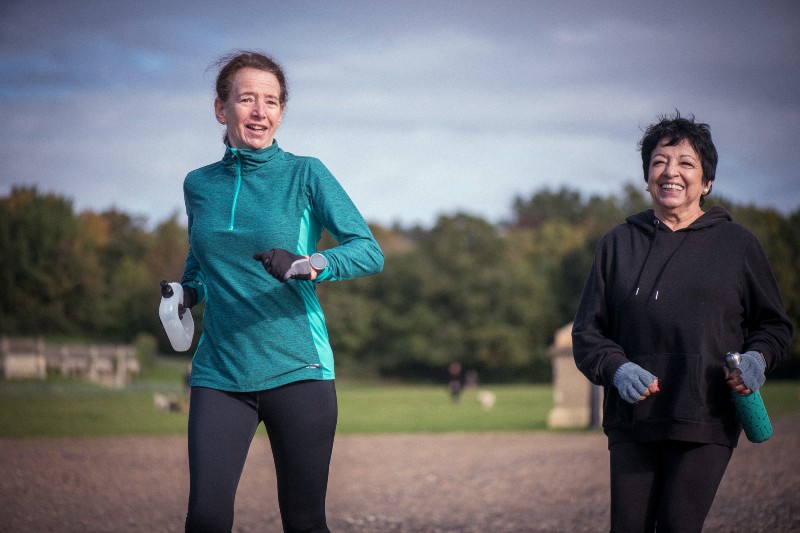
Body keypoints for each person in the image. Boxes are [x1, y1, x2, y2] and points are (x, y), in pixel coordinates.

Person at [170, 51, 384, 532]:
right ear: (220, 108)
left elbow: (369, 251)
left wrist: (309, 264)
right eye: (247, 98)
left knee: (305, 521)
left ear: (282, 112)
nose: (260, 111)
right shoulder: (198, 185)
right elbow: (202, 261)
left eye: (271, 101)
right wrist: (186, 291)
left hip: (299, 369)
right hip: (219, 372)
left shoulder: (306, 174)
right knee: (204, 517)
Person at [571, 112, 792, 532]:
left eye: (686, 163)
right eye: (659, 162)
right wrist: (617, 368)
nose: (670, 172)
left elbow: (774, 326)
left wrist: (758, 359)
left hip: (704, 417)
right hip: (633, 420)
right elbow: (587, 333)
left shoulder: (738, 245)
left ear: (706, 182)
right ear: (647, 177)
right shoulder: (617, 244)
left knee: (677, 525)